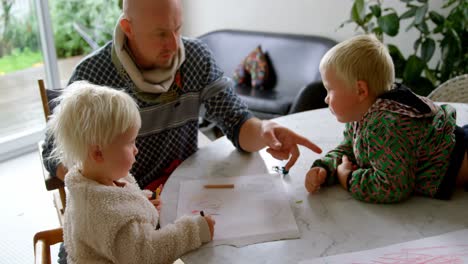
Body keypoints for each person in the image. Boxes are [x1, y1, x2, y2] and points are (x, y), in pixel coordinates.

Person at [42, 0, 322, 191]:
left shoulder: (195, 57)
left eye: (177, 28)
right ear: (128, 28)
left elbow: (236, 122)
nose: (174, 44)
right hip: (124, 208)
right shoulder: (92, 75)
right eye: (161, 34)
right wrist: (103, 191)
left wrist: (265, 131)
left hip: (183, 193)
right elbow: (53, 154)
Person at [48, 81, 216, 263]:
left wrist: (141, 202)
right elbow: (149, 253)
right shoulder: (110, 217)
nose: (136, 149)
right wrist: (194, 230)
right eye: (130, 143)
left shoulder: (87, 180)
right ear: (98, 153)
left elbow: (119, 201)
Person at [304, 34, 468, 204]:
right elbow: (349, 149)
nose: (326, 98)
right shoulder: (361, 115)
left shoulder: (385, 126)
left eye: (329, 90)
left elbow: (392, 186)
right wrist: (325, 167)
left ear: (360, 91)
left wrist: (349, 178)